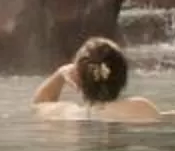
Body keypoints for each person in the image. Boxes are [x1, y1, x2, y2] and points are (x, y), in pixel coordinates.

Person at [31, 36, 161, 121]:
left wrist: (60, 74)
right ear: (123, 77)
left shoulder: (66, 114)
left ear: (77, 80)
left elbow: (38, 103)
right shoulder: (141, 108)